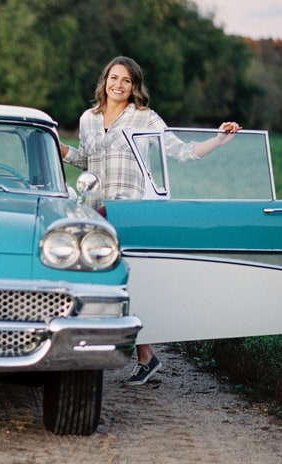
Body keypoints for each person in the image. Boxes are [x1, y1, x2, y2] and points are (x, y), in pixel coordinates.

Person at [60, 55, 241, 386]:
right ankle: (129, 355)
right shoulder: (88, 118)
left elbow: (182, 152)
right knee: (90, 277)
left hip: (128, 209)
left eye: (126, 80)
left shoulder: (144, 118)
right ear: (105, 81)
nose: (118, 84)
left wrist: (218, 139)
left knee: (125, 280)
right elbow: (85, 160)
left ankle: (138, 355)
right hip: (94, 208)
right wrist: (60, 149)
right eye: (114, 78)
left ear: (134, 87)